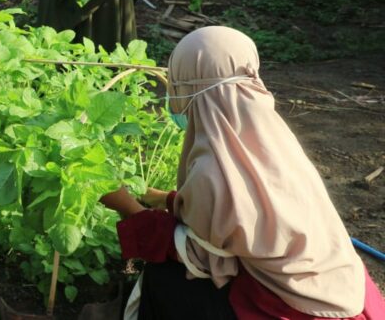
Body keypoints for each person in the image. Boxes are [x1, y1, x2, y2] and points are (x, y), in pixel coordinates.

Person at [100, 26, 385, 319]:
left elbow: (201, 257)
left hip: (296, 310)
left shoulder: (214, 169)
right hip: (341, 290)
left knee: (165, 278)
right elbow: (245, 216)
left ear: (185, 88)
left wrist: (126, 205)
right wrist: (165, 199)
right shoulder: (272, 137)